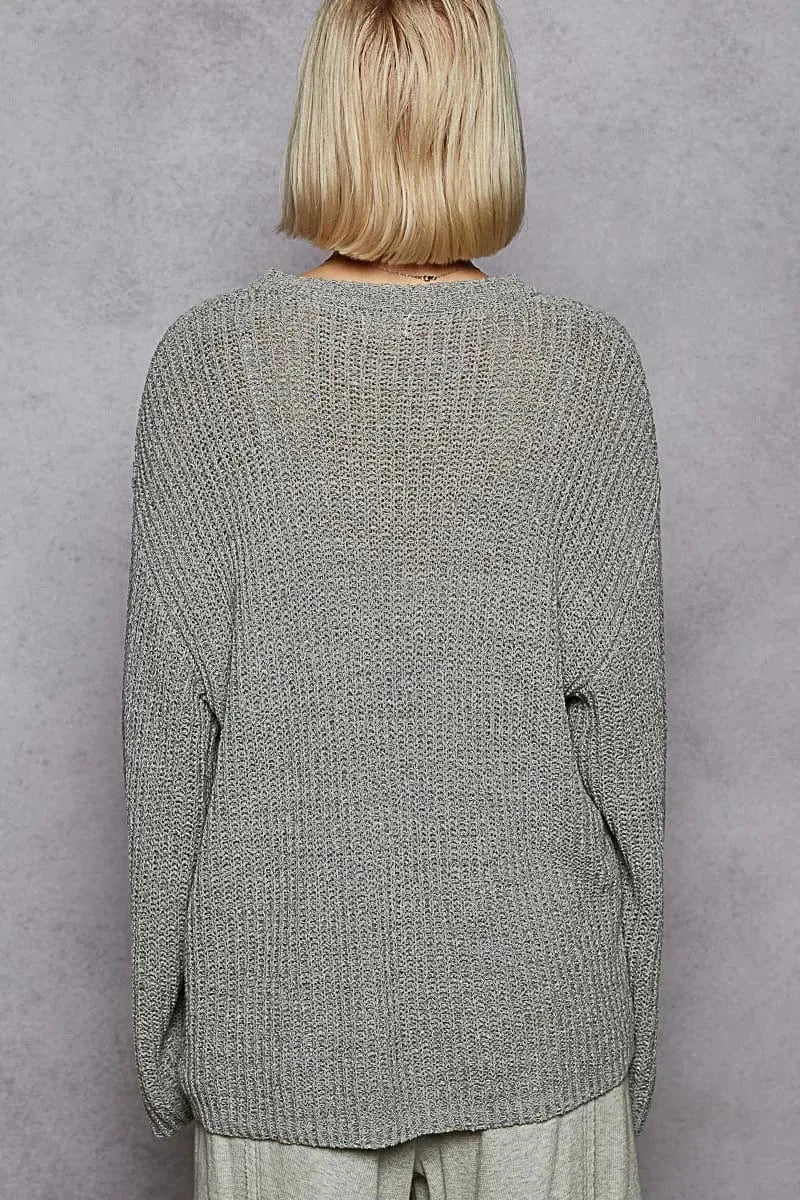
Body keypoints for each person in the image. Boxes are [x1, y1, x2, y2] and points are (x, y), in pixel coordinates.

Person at [121, 1, 667, 1197]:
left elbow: (168, 736)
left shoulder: (208, 366)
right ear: (490, 120)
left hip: (274, 1006)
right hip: (538, 1002)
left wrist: (162, 1025)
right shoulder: (586, 367)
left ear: (320, 118)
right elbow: (622, 743)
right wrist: (631, 1020)